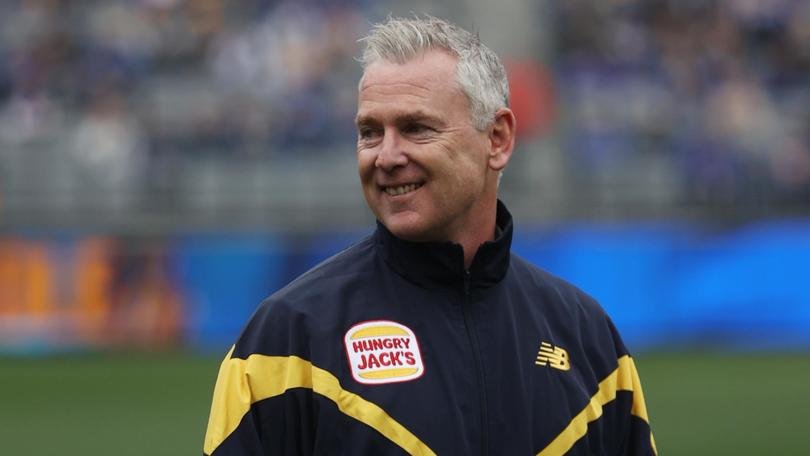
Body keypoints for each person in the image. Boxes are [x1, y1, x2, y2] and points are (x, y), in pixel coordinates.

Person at [203, 15, 656, 456]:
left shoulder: (588, 338)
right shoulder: (285, 341)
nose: (386, 156)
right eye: (370, 132)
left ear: (497, 139)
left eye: (416, 128)